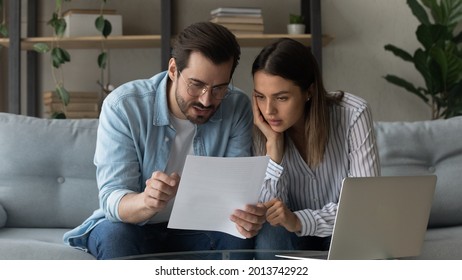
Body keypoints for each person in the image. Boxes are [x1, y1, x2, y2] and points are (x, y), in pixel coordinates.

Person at [63, 22, 266, 260]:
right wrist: (147, 202)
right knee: (115, 236)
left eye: (219, 88)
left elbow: (234, 195)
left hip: (197, 231)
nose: (207, 100)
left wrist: (246, 215)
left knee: (238, 237)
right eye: (196, 84)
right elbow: (112, 199)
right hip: (133, 227)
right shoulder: (123, 106)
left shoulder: (237, 106)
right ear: (173, 69)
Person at [251, 38, 380, 258]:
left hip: (343, 230)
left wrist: (299, 220)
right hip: (289, 236)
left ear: (308, 91)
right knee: (270, 235)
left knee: (364, 237)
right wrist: (274, 151)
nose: (268, 110)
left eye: (281, 98)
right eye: (260, 97)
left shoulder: (353, 114)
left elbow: (364, 206)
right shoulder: (259, 126)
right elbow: (267, 213)